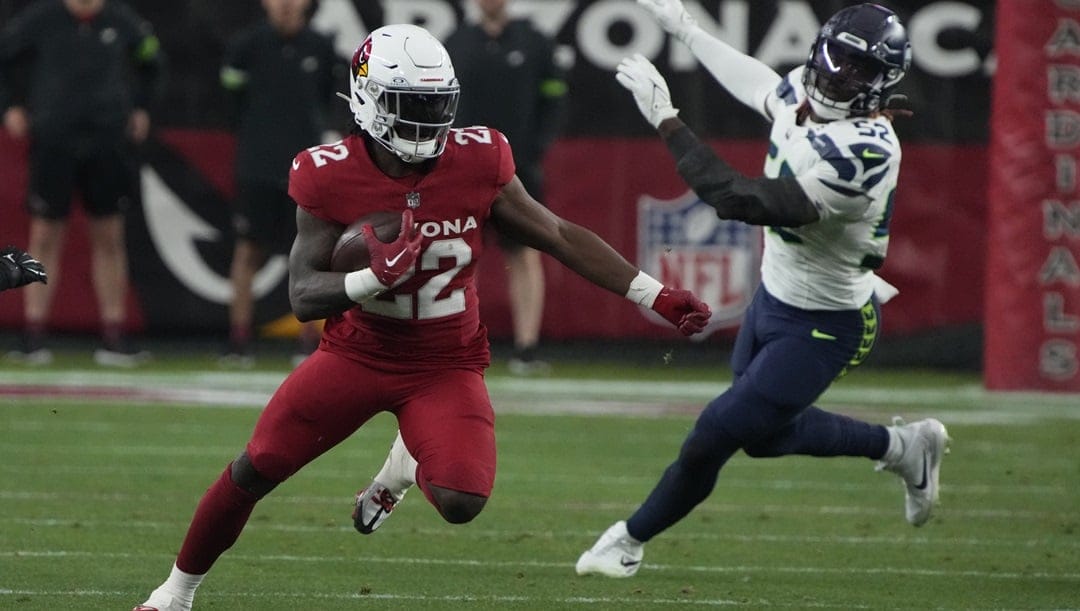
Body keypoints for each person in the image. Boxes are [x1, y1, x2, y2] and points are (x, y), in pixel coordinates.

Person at [132, 23, 710, 611]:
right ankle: (173, 594)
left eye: (439, 104)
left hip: (446, 362)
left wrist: (654, 295)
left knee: (462, 501)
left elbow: (556, 233)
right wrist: (371, 277)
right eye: (414, 106)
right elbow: (304, 294)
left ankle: (403, 466)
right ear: (368, 100)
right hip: (356, 355)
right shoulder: (328, 172)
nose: (431, 119)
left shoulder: (479, 158)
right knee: (258, 466)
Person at [575, 1, 950, 579]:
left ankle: (627, 541)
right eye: (839, 59)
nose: (842, 76)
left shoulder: (866, 152)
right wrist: (687, 29)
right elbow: (760, 84)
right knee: (764, 437)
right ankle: (903, 448)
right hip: (773, 299)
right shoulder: (804, 89)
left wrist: (666, 120)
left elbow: (742, 201)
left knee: (715, 434)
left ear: (882, 84)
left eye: (860, 69)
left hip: (829, 322)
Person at [0, 0, 164, 367]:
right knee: (44, 234)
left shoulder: (122, 21)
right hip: (54, 138)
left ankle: (113, 334)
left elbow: (153, 62)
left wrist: (141, 107)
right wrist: (9, 105)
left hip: (107, 140)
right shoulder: (41, 19)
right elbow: (5, 57)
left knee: (109, 236)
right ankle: (33, 333)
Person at [444, 0, 567, 375]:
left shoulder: (533, 41)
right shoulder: (457, 41)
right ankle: (458, 343)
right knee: (461, 255)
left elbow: (555, 97)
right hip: (461, 168)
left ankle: (527, 346)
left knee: (526, 254)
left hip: (518, 169)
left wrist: (534, 149)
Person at [219, 0, 343, 368]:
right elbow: (232, 101)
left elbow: (330, 103)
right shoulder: (246, 47)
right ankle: (239, 340)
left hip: (306, 173)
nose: (285, 5)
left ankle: (311, 343)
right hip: (257, 168)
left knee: (313, 253)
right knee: (247, 252)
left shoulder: (322, 48)